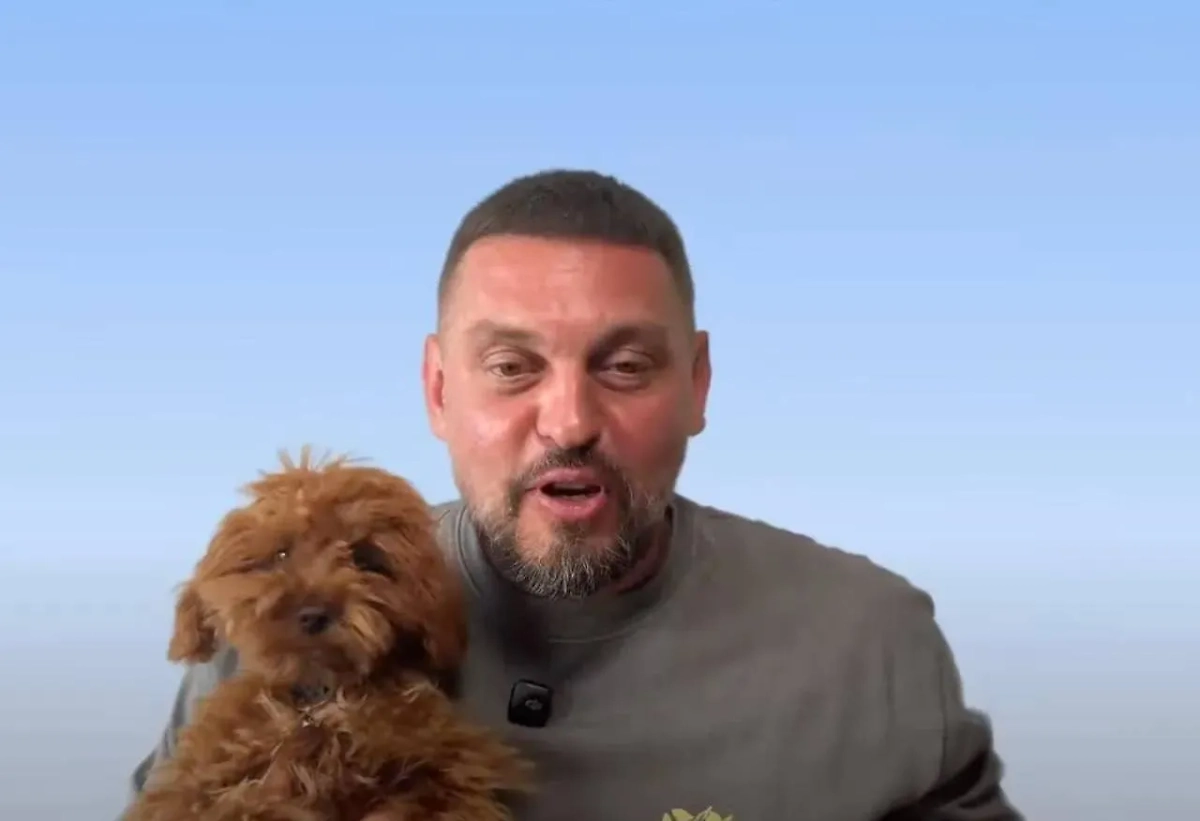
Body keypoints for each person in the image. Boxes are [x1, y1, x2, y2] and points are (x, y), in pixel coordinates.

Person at [119, 169, 1025, 820]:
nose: (569, 421)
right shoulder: (269, 628)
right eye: (512, 367)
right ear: (438, 390)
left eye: (624, 366)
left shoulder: (870, 642)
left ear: (698, 383)